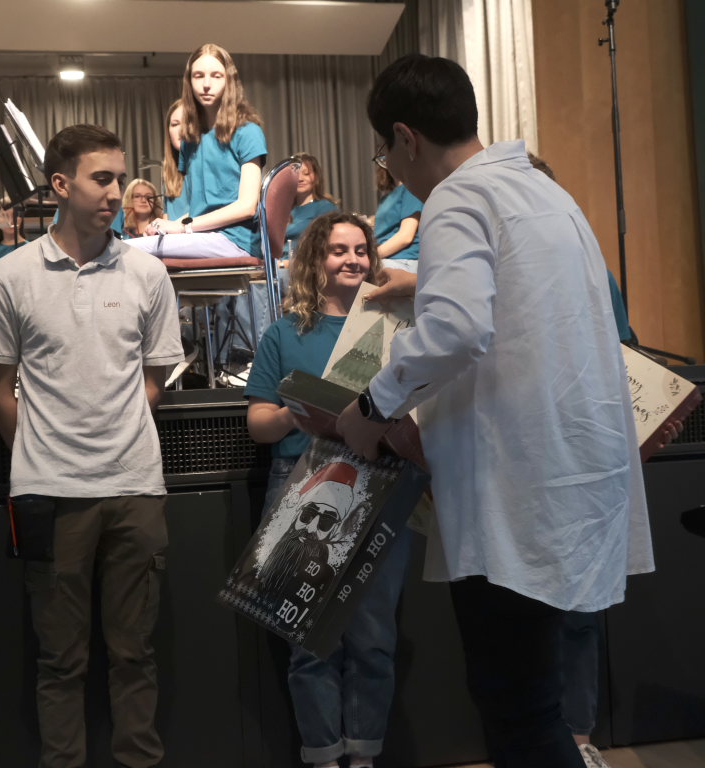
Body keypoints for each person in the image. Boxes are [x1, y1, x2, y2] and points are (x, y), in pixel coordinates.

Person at [335, 54, 653, 767]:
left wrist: (371, 405)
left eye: (386, 153)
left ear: (406, 137)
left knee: (519, 716)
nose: (394, 170)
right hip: (568, 480)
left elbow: (456, 330)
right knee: (536, 706)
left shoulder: (456, 198)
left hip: (517, 496)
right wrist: (422, 284)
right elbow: (523, 313)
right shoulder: (546, 194)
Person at [0, 124, 185, 768]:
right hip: (50, 492)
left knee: (134, 654)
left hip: (134, 487)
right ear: (61, 185)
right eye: (102, 179)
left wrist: (111, 433)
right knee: (60, 661)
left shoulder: (148, 272)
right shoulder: (11, 275)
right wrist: (44, 451)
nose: (117, 192)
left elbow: (154, 379)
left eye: (120, 178)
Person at [244, 211, 408, 768]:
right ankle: (321, 756)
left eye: (361, 250)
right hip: (301, 485)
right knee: (309, 639)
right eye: (339, 250)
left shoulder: (397, 330)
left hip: (380, 485)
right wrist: (296, 414)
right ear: (316, 259)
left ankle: (363, 757)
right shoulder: (284, 333)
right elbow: (258, 424)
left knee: (374, 640)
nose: (352, 260)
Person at [129, 42, 267, 259]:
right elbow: (199, 209)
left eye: (216, 76)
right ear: (189, 82)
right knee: (131, 248)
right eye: (199, 76)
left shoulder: (248, 132)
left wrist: (183, 226)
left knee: (127, 251)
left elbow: (247, 206)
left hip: (235, 240)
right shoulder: (190, 140)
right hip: (201, 236)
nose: (206, 84)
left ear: (229, 81)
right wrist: (168, 225)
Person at [285, 153, 338, 256]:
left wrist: (289, 262)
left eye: (306, 173)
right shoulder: (283, 209)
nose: (300, 179)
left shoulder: (326, 208)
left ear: (316, 177)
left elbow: (324, 247)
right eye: (296, 174)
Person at [373, 165, 422, 272]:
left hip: (401, 260)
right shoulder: (388, 196)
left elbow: (405, 237)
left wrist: (372, 256)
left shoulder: (410, 190)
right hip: (387, 258)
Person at [162, 99, 190, 221]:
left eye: (187, 122)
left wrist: (175, 226)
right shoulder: (169, 171)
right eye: (175, 124)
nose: (181, 130)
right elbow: (166, 218)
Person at [0, 200, 27, 264]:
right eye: (4, 215)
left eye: (15, 215)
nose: (10, 221)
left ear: (21, 218)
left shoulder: (31, 248)